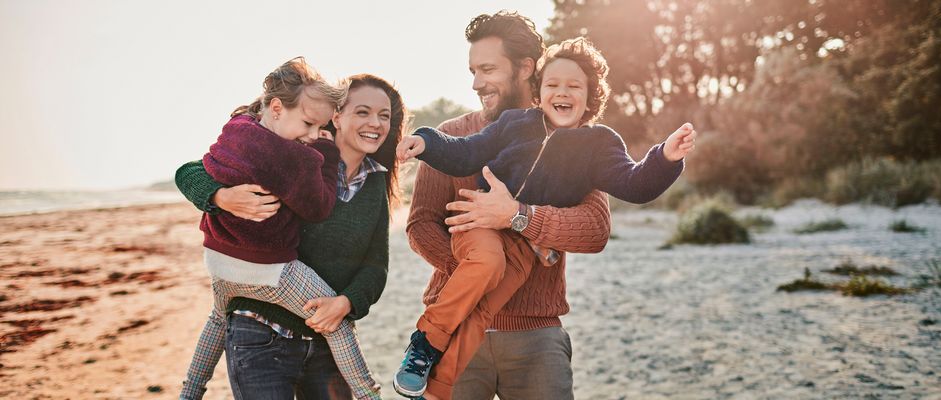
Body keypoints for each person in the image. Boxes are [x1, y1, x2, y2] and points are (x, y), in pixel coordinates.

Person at [394, 35, 695, 398]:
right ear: (538, 90)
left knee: (484, 308)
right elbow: (466, 153)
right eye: (552, 84)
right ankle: (426, 342)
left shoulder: (597, 146)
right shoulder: (514, 123)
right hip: (479, 230)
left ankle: (440, 386)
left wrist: (666, 158)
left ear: (590, 96)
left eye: (573, 86)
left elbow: (632, 187)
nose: (562, 92)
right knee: (488, 265)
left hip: (528, 280)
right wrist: (427, 141)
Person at [403, 11, 607, 400]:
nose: (477, 83)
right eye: (473, 71)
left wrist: (518, 217)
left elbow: (595, 227)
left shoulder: (574, 139)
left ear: (525, 67)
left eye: (488, 69)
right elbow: (420, 225)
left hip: (535, 336)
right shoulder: (451, 136)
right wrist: (480, 271)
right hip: (455, 332)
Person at [176, 72, 404, 399]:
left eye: (385, 115)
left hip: (325, 345)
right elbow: (191, 171)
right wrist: (219, 197)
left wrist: (347, 302)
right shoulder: (292, 150)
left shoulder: (374, 184)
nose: (376, 123)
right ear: (336, 116)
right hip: (260, 335)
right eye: (363, 111)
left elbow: (375, 266)